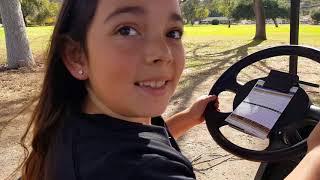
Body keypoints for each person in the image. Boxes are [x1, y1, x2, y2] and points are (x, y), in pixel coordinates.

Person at [18, 0, 320, 180]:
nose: (162, 52)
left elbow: (137, 143)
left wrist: (187, 118)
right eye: (127, 30)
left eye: (172, 33)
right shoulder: (146, 171)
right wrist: (314, 156)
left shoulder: (71, 126)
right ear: (76, 56)